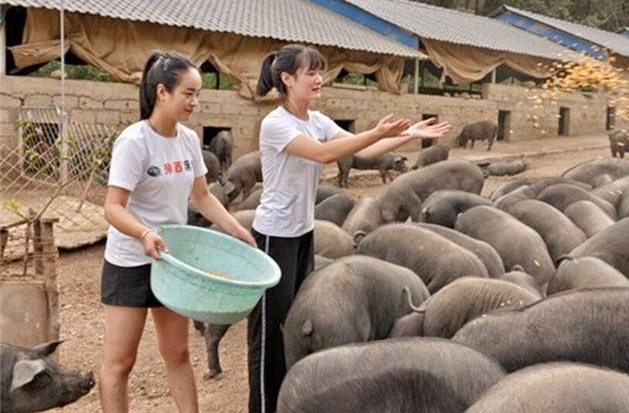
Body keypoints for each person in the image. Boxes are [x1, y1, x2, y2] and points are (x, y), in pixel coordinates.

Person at [247, 44, 451, 412]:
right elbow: (325, 154)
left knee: (292, 322)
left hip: (300, 233)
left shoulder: (316, 120)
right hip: (273, 236)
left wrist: (411, 133)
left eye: (320, 71)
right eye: (310, 73)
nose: (318, 79)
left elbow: (366, 153)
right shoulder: (276, 124)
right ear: (287, 79)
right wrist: (375, 131)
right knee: (267, 333)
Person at [100, 51, 256, 413]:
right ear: (161, 93)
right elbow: (112, 207)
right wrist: (142, 234)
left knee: (178, 353)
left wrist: (236, 228)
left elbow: (201, 196)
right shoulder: (134, 142)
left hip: (172, 260)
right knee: (120, 362)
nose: (195, 102)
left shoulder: (188, 141)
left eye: (197, 94)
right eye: (188, 93)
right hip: (130, 260)